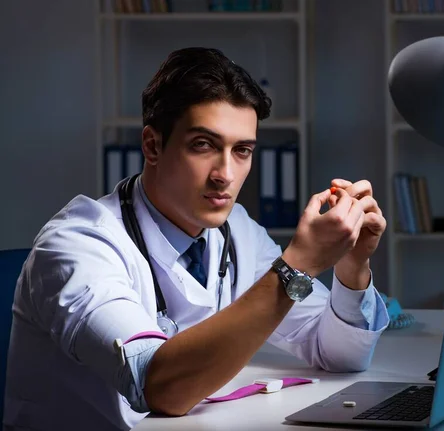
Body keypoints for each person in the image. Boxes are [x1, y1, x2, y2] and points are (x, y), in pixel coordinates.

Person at [3, 47, 390, 431]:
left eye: (242, 151)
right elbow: (160, 388)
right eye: (203, 145)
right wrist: (297, 267)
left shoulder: (236, 230)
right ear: (153, 146)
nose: (225, 174)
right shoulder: (77, 245)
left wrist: (351, 266)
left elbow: (337, 354)